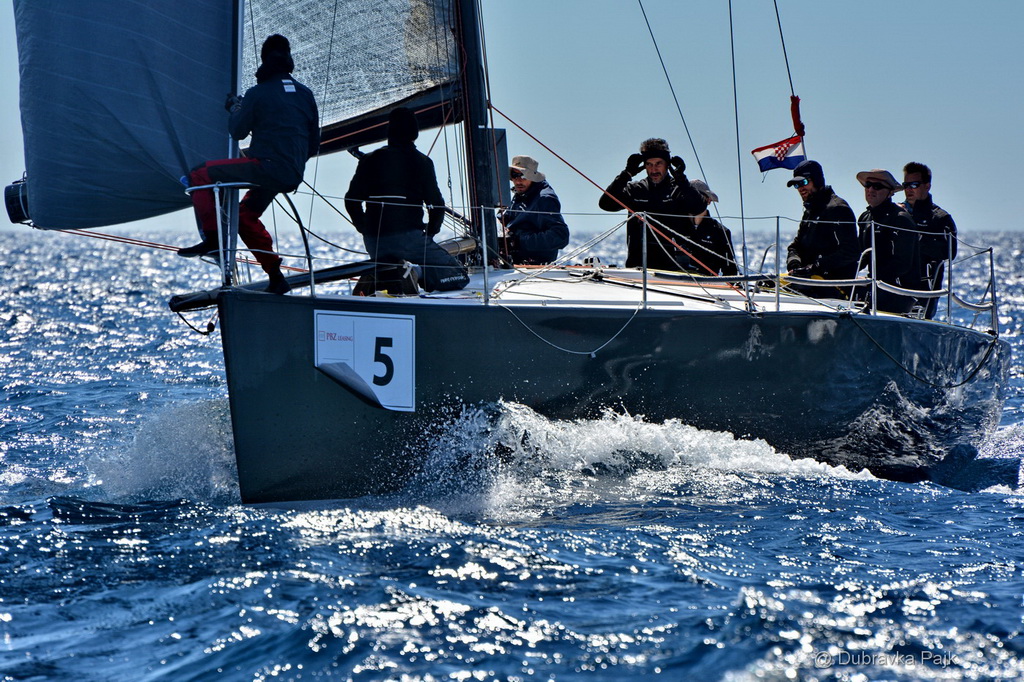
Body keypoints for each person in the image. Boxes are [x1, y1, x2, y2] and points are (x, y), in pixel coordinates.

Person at [178, 34, 319, 295]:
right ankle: (277, 278)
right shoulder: (305, 94)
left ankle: (211, 240)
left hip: (266, 167)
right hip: (291, 172)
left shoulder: (258, 93)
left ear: (265, 60)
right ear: (289, 59)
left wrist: (236, 108)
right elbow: (313, 144)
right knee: (243, 216)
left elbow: (237, 132)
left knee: (199, 174)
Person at [344, 107, 469, 293]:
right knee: (459, 275)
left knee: (387, 263)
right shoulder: (422, 162)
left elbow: (351, 201)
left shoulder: (368, 160)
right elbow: (436, 205)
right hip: (409, 239)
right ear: (414, 133)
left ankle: (377, 276)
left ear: (390, 131)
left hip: (374, 241)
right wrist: (430, 233)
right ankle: (415, 273)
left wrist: (365, 228)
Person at [598, 138, 706, 271]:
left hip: (674, 268)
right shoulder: (635, 189)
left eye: (658, 163)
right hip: (638, 267)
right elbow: (606, 204)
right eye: (649, 164)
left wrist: (681, 179)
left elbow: (698, 207)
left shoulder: (678, 189)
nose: (654, 169)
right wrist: (626, 174)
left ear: (667, 164)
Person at [784, 160, 860, 298]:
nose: (800, 188)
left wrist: (815, 267)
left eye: (804, 183)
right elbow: (795, 247)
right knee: (766, 283)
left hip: (832, 286)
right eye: (796, 185)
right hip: (808, 281)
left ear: (817, 180)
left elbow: (851, 252)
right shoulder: (809, 212)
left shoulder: (837, 208)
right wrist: (794, 264)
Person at [855, 169, 920, 314]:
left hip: (898, 292)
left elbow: (903, 264)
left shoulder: (900, 219)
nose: (871, 189)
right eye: (868, 185)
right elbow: (860, 256)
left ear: (890, 192)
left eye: (877, 187)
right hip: (873, 286)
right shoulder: (865, 218)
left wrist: (871, 281)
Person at [901, 162, 958, 319]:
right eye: (905, 185)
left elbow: (950, 253)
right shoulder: (896, 214)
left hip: (923, 289)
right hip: (893, 285)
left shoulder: (940, 218)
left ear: (927, 186)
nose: (908, 189)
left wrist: (916, 239)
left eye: (914, 184)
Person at [500, 155, 569, 265]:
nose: (518, 181)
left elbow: (560, 236)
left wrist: (517, 242)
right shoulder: (522, 192)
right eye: (514, 176)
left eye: (522, 176)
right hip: (515, 261)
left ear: (532, 176)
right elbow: (510, 218)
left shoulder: (544, 199)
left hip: (534, 267)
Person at [687, 179, 738, 276]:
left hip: (708, 285)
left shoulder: (720, 232)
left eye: (697, 197)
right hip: (673, 282)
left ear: (709, 200)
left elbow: (730, 272)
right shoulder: (674, 224)